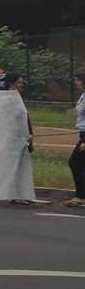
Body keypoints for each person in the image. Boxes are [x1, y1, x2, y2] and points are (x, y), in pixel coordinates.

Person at [4, 72, 34, 205]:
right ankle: (13, 194)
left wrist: (28, 134)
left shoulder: (17, 97)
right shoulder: (10, 98)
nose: (22, 84)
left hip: (22, 136)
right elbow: (10, 119)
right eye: (19, 82)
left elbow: (24, 118)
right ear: (12, 84)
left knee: (22, 165)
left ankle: (23, 193)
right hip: (14, 137)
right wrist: (24, 134)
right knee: (14, 165)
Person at [65, 69, 85, 207]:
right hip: (82, 133)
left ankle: (81, 196)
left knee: (74, 162)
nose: (75, 82)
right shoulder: (83, 95)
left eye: (77, 79)